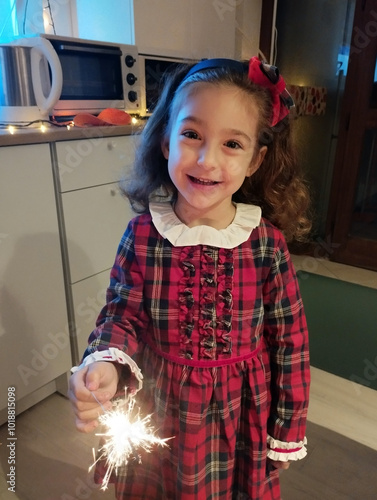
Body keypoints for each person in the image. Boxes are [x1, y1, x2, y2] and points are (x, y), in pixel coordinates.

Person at [68, 56, 311, 500]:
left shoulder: (266, 245)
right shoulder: (142, 234)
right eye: (192, 134)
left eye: (232, 144)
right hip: (161, 412)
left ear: (257, 159)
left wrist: (288, 425)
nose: (206, 158)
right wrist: (103, 361)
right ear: (165, 141)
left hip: (241, 420)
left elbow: (290, 343)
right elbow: (121, 314)